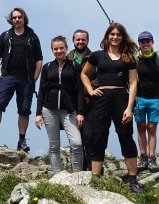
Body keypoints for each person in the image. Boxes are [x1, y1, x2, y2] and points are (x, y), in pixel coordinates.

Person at [80, 22, 142, 193]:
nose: (115, 37)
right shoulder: (97, 56)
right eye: (112, 34)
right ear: (107, 37)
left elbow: (133, 82)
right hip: (101, 99)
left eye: (118, 35)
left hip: (122, 98)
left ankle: (132, 180)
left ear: (122, 37)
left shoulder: (128, 57)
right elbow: (84, 74)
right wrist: (91, 90)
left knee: (125, 136)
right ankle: (96, 179)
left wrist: (130, 107)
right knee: (98, 136)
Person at [0, 7, 43, 152]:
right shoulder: (5, 36)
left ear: (24, 19)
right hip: (8, 77)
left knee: (24, 110)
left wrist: (34, 78)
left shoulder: (32, 37)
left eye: (20, 17)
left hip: (26, 79)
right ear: (11, 20)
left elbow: (39, 59)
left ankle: (22, 141)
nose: (17, 20)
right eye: (14, 17)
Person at [35, 36, 84, 174]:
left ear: (66, 48)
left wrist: (81, 112)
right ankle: (57, 176)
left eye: (61, 48)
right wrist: (38, 114)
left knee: (76, 143)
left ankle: (77, 176)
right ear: (52, 50)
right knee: (54, 145)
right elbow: (42, 90)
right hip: (49, 110)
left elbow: (80, 90)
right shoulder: (47, 67)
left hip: (69, 110)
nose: (58, 51)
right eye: (55, 48)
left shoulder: (75, 66)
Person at [133, 31, 159, 173]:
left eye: (148, 41)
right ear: (139, 44)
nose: (145, 44)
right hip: (139, 97)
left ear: (152, 42)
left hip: (155, 98)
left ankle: (152, 158)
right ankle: (143, 156)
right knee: (140, 127)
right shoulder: (135, 59)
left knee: (152, 128)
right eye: (142, 42)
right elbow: (132, 79)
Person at [66, 28, 93, 171]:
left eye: (83, 39)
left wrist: (88, 91)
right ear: (73, 41)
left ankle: (93, 168)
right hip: (72, 103)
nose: (80, 42)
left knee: (89, 136)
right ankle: (79, 168)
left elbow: (99, 78)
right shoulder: (66, 59)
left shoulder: (95, 57)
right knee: (76, 138)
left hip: (90, 102)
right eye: (78, 39)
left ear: (87, 41)